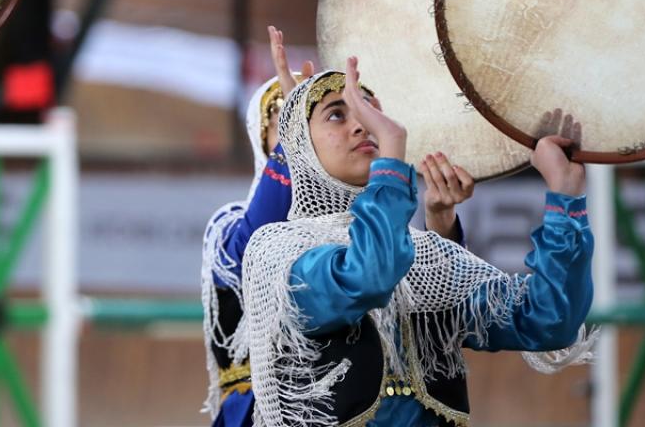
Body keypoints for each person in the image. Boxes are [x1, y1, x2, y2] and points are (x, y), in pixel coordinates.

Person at [243, 59, 595, 426]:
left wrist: (563, 196)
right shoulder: (278, 250)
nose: (363, 126)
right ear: (300, 145)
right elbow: (366, 276)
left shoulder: (427, 259)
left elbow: (549, 320)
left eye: (372, 113)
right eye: (336, 115)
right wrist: (393, 149)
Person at [202, 30, 475, 426]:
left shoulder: (369, 227)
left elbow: (443, 312)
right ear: (264, 140)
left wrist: (442, 220)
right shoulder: (228, 226)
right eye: (286, 123)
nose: (299, 139)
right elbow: (251, 251)